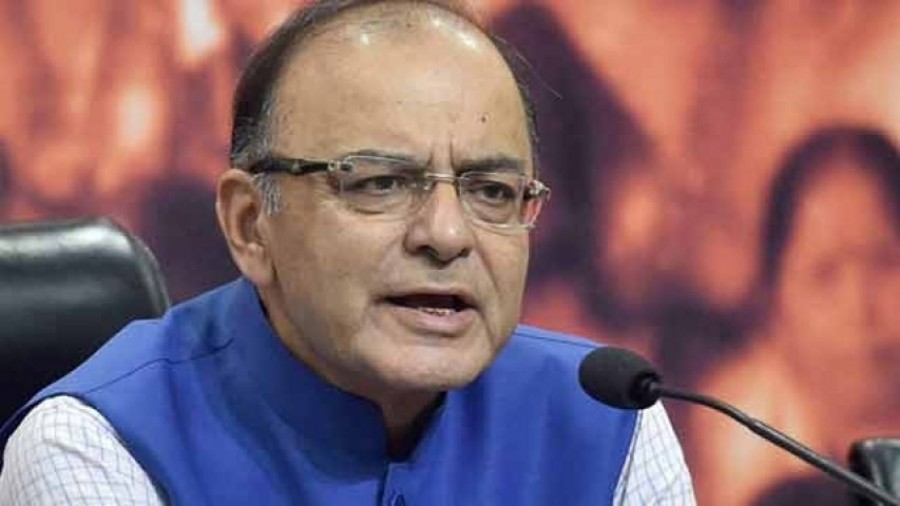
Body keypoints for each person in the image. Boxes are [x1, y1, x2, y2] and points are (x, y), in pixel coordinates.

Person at [0, 1, 694, 504]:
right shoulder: (97, 444)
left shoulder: (608, 420)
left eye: (491, 191)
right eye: (379, 183)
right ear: (250, 224)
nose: (447, 235)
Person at [687, 127, 900, 505]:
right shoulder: (746, 459)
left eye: (884, 262)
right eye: (824, 273)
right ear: (776, 306)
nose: (859, 306)